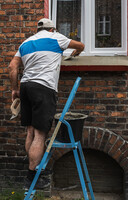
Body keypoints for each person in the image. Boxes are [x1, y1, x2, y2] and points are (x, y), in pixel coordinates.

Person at [9, 18, 84, 190]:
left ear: (38, 29)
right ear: (52, 29)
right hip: (43, 88)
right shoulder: (56, 38)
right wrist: (76, 53)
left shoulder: (26, 43)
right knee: (40, 134)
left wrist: (14, 89)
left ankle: (32, 172)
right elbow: (81, 46)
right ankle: (32, 177)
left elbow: (12, 66)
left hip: (26, 87)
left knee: (30, 132)